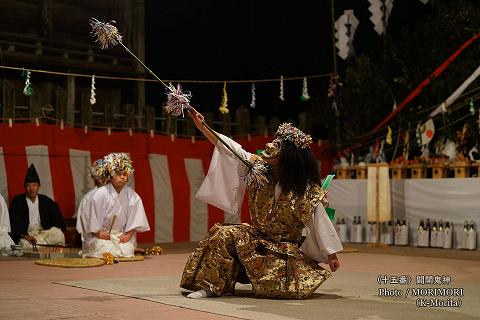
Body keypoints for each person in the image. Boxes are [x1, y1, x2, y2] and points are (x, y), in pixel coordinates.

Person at [180, 110, 343, 299]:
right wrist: (203, 126)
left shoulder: (305, 190)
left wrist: (332, 255)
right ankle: (211, 286)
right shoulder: (257, 169)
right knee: (223, 233)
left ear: (289, 155)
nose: (268, 145)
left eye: (277, 144)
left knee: (278, 290)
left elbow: (320, 222)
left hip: (282, 250)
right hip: (256, 239)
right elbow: (230, 148)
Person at [80, 153, 150, 258]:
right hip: (100, 237)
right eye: (118, 174)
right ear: (111, 175)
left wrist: (128, 236)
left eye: (125, 174)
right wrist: (98, 233)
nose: (122, 177)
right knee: (107, 249)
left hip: (120, 236)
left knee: (126, 250)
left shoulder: (132, 196)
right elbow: (91, 220)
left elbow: (136, 219)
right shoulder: (99, 194)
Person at [9, 164, 66, 247]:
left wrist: (50, 231)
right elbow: (15, 223)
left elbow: (59, 223)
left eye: (34, 185)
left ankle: (41, 244)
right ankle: (42, 245)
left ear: (39, 186)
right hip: (27, 235)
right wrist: (26, 236)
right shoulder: (18, 201)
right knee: (25, 244)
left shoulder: (46, 201)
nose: (31, 189)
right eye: (28, 185)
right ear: (25, 187)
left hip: (43, 233)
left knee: (59, 235)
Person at [75, 158, 108, 254]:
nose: (104, 178)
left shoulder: (113, 195)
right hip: (93, 239)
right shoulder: (89, 197)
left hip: (110, 235)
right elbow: (86, 226)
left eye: (105, 175)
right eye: (100, 175)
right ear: (95, 177)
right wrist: (99, 233)